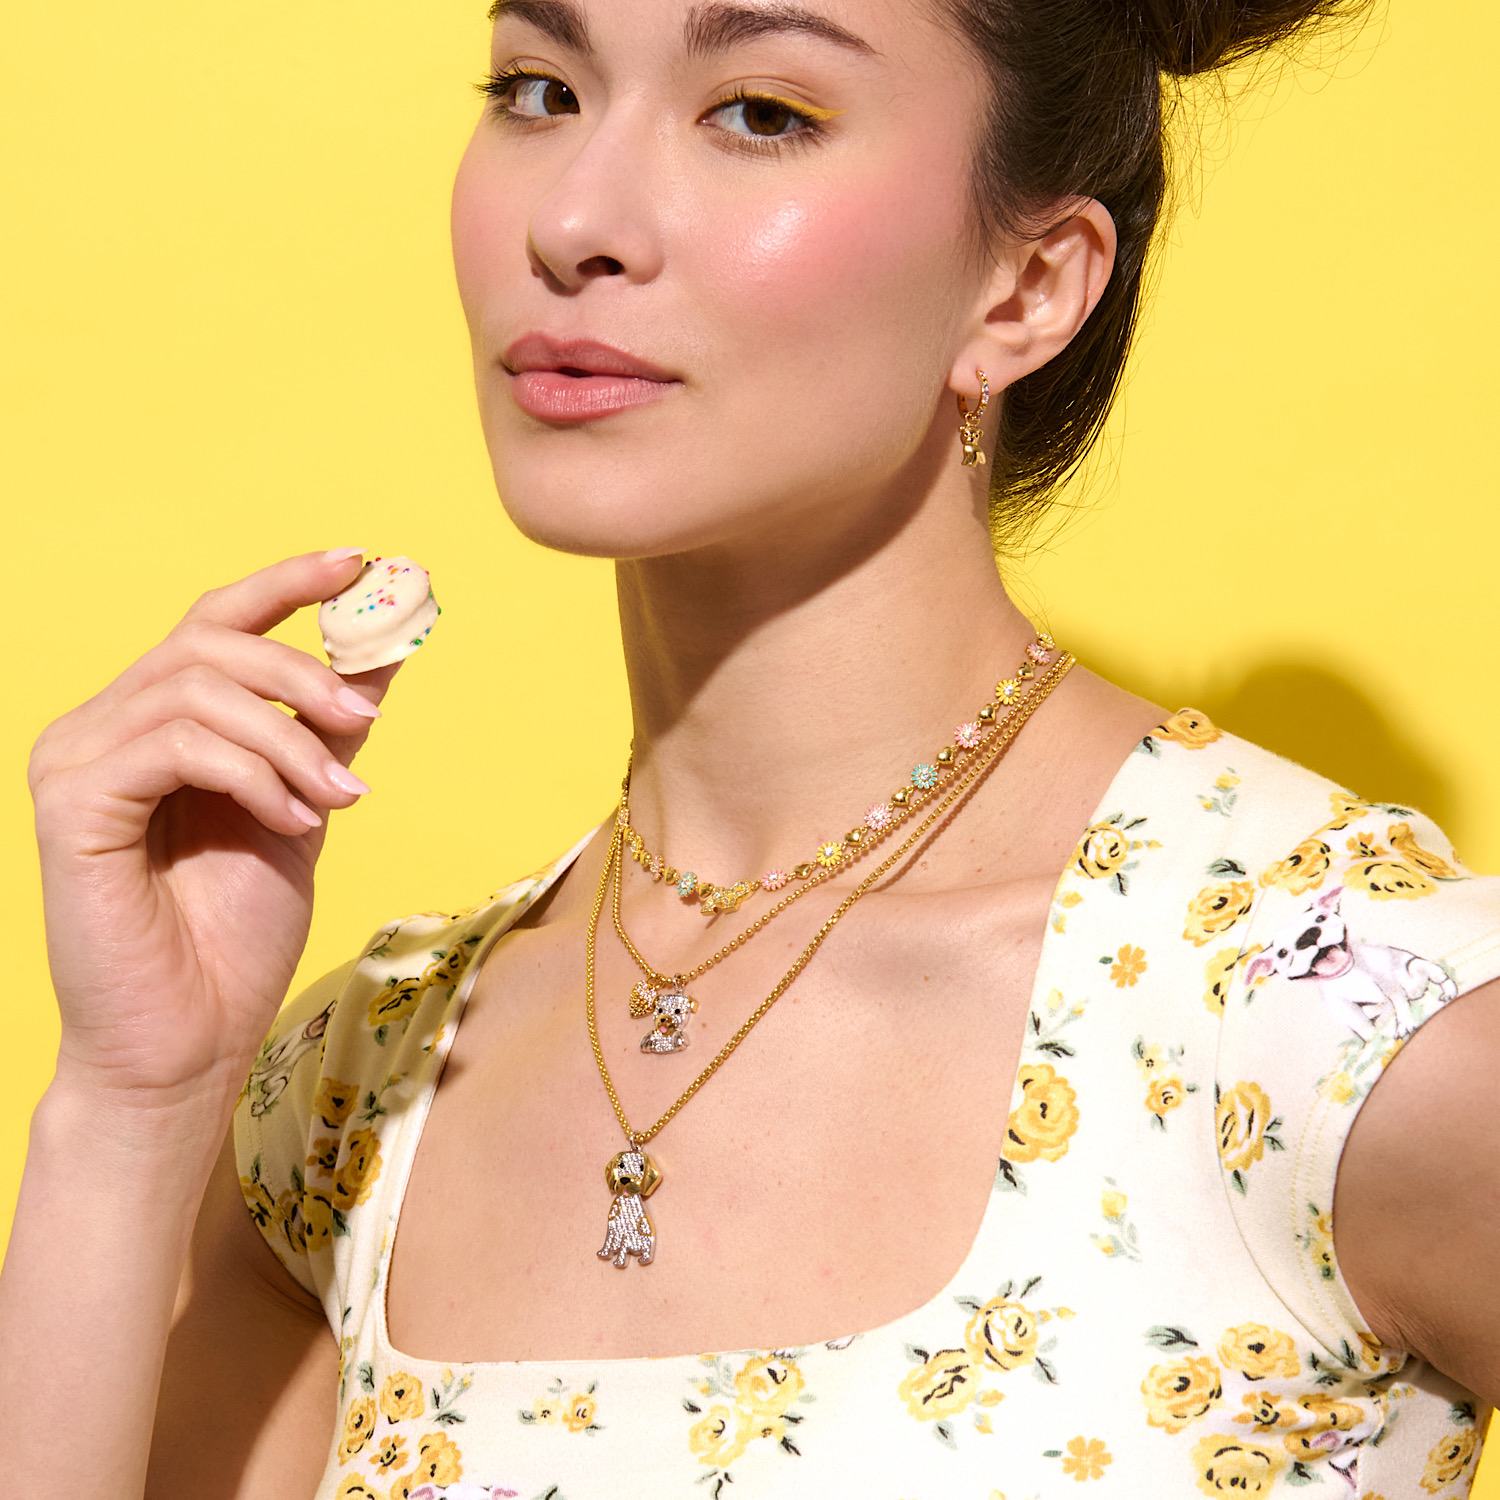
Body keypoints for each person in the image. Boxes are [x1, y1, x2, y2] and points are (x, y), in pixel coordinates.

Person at [7, 0, 1499, 1494]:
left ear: (1027, 287)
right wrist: (130, 1111)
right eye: (538, 90)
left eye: (762, 115)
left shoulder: (1330, 1026)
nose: (573, 222)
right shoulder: (352, 1103)